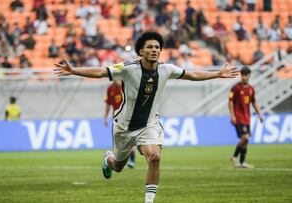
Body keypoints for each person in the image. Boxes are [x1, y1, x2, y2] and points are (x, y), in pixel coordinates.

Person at [54, 31, 239, 203]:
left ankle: (148, 201)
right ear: (141, 51)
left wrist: (217, 74)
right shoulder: (128, 68)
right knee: (118, 166)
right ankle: (108, 160)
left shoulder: (167, 69)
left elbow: (191, 74)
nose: (154, 50)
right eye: (150, 47)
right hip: (124, 126)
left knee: (155, 157)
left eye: (157, 47)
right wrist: (73, 71)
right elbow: (102, 71)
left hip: (149, 124)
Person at [229, 66, 263, 169]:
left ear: (249, 76)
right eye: (242, 75)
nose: (243, 77)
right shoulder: (236, 88)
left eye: (245, 75)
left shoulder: (251, 89)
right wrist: (232, 115)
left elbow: (254, 102)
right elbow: (230, 101)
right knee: (245, 137)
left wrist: (259, 114)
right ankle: (234, 156)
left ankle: (242, 162)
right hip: (239, 117)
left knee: (246, 140)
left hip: (247, 117)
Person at [104, 80, 135, 168]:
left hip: (129, 117)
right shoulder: (110, 89)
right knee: (119, 142)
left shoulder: (126, 86)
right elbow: (108, 104)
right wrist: (105, 117)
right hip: (117, 119)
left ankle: (131, 161)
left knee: (131, 140)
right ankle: (118, 159)